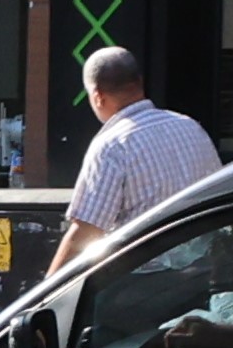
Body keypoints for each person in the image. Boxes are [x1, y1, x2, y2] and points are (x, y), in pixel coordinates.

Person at [42, 45, 221, 275]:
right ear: (139, 82)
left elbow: (85, 232)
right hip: (201, 274)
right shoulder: (190, 127)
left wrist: (43, 299)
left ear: (97, 97)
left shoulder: (111, 146)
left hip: (142, 283)